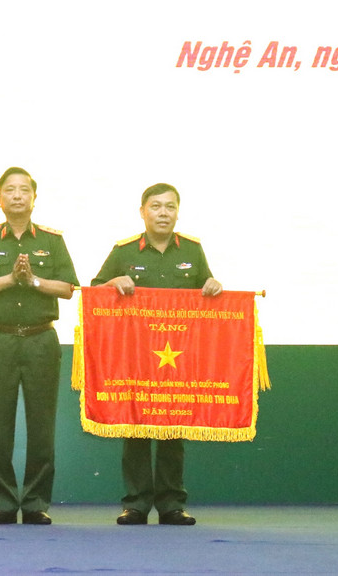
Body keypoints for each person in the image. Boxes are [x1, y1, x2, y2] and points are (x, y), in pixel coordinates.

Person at [91, 182, 222, 526]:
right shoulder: (123, 251)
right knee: (135, 427)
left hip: (177, 356)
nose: (163, 213)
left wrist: (213, 286)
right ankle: (135, 504)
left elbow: (208, 291)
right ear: (142, 211)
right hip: (135, 356)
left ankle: (171, 505)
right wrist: (112, 283)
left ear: (178, 212)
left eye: (170, 207)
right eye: (156, 206)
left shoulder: (193, 250)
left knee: (173, 429)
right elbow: (94, 292)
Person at [0, 167, 78, 525]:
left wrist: (34, 280)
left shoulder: (52, 241)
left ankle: (37, 502)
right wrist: (11, 279)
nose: (17, 195)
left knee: (42, 427)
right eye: (9, 190)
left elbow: (67, 288)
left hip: (41, 339)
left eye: (24, 190)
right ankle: (3, 503)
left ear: (34, 198)